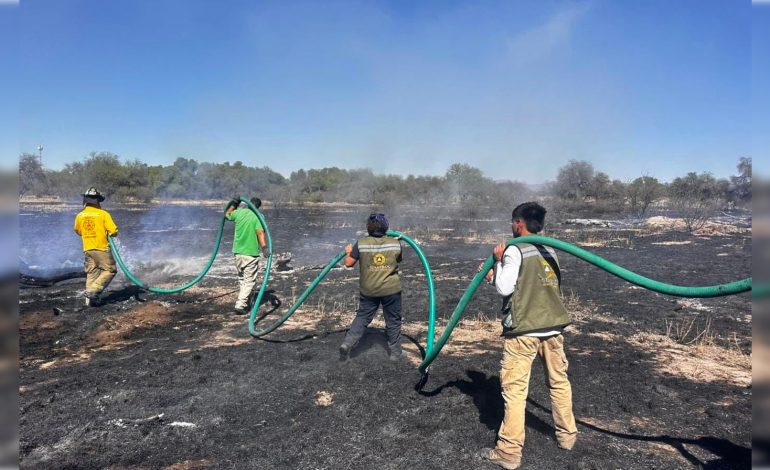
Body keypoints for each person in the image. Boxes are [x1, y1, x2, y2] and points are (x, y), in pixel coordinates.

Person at [478, 202, 577, 470]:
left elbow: (504, 287)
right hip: (553, 328)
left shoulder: (514, 250)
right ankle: (567, 436)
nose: (511, 226)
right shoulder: (551, 250)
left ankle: (508, 452)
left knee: (514, 390)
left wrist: (497, 264)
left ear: (519, 223)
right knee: (559, 383)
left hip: (524, 330)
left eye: (513, 222)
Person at [339, 213, 404, 362]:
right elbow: (398, 259)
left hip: (369, 290)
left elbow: (348, 263)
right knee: (393, 320)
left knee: (362, 317)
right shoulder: (395, 243)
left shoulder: (361, 243)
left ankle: (347, 343)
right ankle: (395, 353)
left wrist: (348, 252)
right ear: (385, 227)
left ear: (368, 228)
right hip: (391, 290)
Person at [73, 187, 119, 307]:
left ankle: (90, 302)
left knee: (92, 272)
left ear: (85, 201)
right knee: (110, 270)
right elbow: (113, 231)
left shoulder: (80, 215)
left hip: (87, 248)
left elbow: (78, 231)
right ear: (98, 201)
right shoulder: (103, 214)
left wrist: (89, 235)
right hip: (101, 248)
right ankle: (93, 291)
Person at [225, 195, 269, 314]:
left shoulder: (239, 213)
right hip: (250, 254)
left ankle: (245, 301)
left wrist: (234, 204)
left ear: (248, 204)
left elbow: (227, 215)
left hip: (237, 253)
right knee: (249, 281)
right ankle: (240, 305)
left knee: (242, 278)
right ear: (258, 207)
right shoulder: (259, 217)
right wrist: (264, 248)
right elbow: (260, 233)